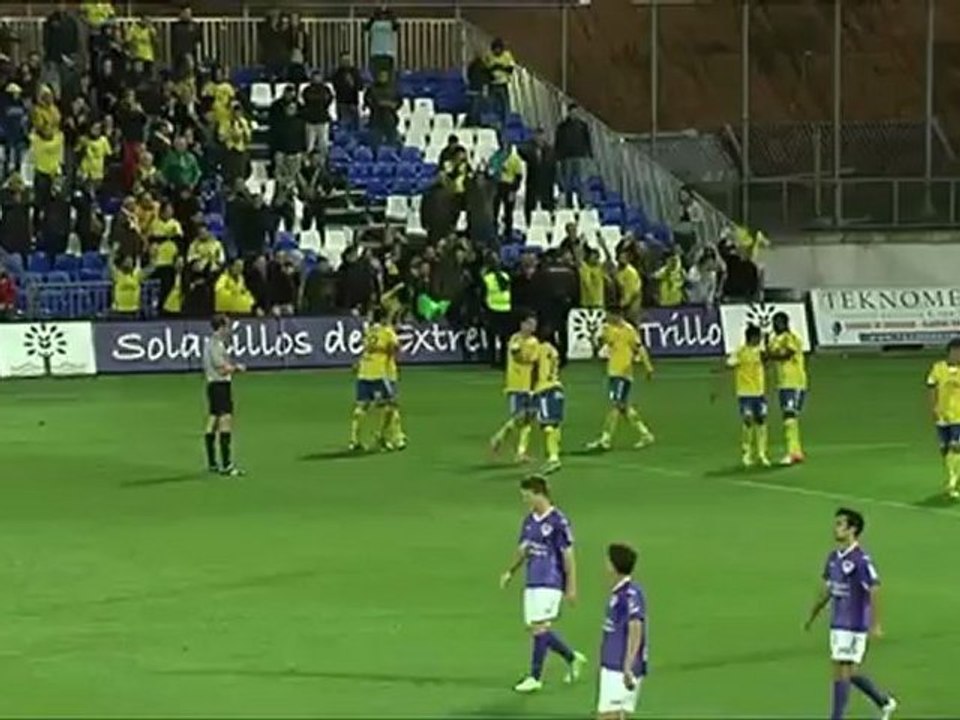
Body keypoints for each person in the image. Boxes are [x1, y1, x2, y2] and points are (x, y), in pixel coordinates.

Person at [804, 509, 897, 720]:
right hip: (838, 623)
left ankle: (836, 717)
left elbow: (874, 588)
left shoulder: (861, 560)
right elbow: (829, 589)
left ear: (852, 529)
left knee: (841, 670)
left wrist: (876, 624)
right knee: (849, 672)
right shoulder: (833, 558)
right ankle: (884, 702)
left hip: (855, 624)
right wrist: (813, 614)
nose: (835, 528)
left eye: (840, 524)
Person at [498, 476, 585, 694]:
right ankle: (572, 658)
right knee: (537, 629)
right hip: (533, 580)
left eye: (526, 496)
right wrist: (510, 571)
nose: (524, 500)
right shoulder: (529, 521)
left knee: (539, 627)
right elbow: (523, 550)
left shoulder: (558, 521)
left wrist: (571, 586)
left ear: (539, 493)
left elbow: (568, 555)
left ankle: (535, 677)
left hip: (551, 580)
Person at [586, 307, 655, 452]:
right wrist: (595, 339)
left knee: (615, 406)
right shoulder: (607, 328)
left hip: (622, 373)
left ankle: (605, 439)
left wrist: (648, 366)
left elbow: (639, 348)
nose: (607, 317)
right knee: (623, 407)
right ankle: (645, 434)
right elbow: (598, 347)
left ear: (618, 315)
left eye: (609, 314)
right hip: (613, 372)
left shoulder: (629, 330)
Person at [597, 543, 648, 720]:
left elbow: (636, 628)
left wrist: (628, 665)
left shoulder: (630, 594)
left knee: (607, 716)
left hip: (619, 668)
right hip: (615, 664)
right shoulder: (620, 592)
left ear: (613, 566)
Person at [490, 312, 539, 463]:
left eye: (534, 324)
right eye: (529, 323)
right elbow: (518, 358)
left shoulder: (534, 342)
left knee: (528, 418)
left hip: (529, 385)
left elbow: (529, 359)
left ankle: (521, 452)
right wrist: (518, 353)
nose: (532, 327)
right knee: (519, 416)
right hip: (516, 385)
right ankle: (499, 436)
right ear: (522, 324)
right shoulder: (515, 339)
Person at [349, 307, 399, 452]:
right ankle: (382, 437)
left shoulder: (369, 331)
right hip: (379, 373)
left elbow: (365, 349)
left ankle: (354, 440)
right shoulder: (387, 331)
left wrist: (358, 363)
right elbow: (395, 347)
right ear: (384, 318)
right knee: (391, 405)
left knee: (361, 407)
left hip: (364, 372)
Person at [203, 314, 246, 477]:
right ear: (220, 327)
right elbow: (221, 368)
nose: (229, 330)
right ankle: (226, 464)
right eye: (227, 326)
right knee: (225, 421)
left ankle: (213, 463)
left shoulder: (210, 344)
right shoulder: (216, 345)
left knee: (212, 420)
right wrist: (237, 368)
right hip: (220, 385)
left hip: (212, 385)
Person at [723, 324, 770, 467]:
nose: (759, 340)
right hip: (745, 393)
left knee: (761, 420)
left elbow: (767, 360)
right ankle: (746, 453)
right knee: (748, 420)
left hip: (759, 392)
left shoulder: (761, 352)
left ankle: (762, 454)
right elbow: (729, 363)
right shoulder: (740, 351)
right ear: (752, 337)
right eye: (758, 337)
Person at [767, 311, 808, 466]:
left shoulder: (791, 339)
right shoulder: (774, 340)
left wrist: (770, 355)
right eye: (774, 322)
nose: (775, 325)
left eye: (778, 322)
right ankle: (796, 451)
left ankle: (793, 452)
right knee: (789, 418)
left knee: (790, 416)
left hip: (795, 382)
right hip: (783, 384)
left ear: (785, 323)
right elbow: (769, 357)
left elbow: (786, 354)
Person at [926, 337, 960, 499]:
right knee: (945, 448)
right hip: (942, 414)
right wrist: (933, 407)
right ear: (949, 352)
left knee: (955, 446)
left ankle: (952, 482)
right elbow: (931, 387)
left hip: (959, 416)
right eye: (955, 351)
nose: (957, 355)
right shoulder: (938, 368)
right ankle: (953, 474)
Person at [534, 330, 565, 474]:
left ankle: (553, 459)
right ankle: (555, 454)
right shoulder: (554, 350)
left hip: (545, 389)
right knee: (556, 424)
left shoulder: (541, 349)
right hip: (558, 389)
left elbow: (539, 369)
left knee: (547, 425)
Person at [485, 38, 514, 127]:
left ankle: (505, 123)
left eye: (498, 49)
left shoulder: (507, 55)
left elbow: (510, 69)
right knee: (491, 105)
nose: (497, 51)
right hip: (492, 84)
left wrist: (500, 67)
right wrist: (492, 69)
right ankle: (492, 123)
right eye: (495, 49)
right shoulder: (489, 56)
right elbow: (486, 69)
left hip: (503, 83)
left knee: (504, 105)